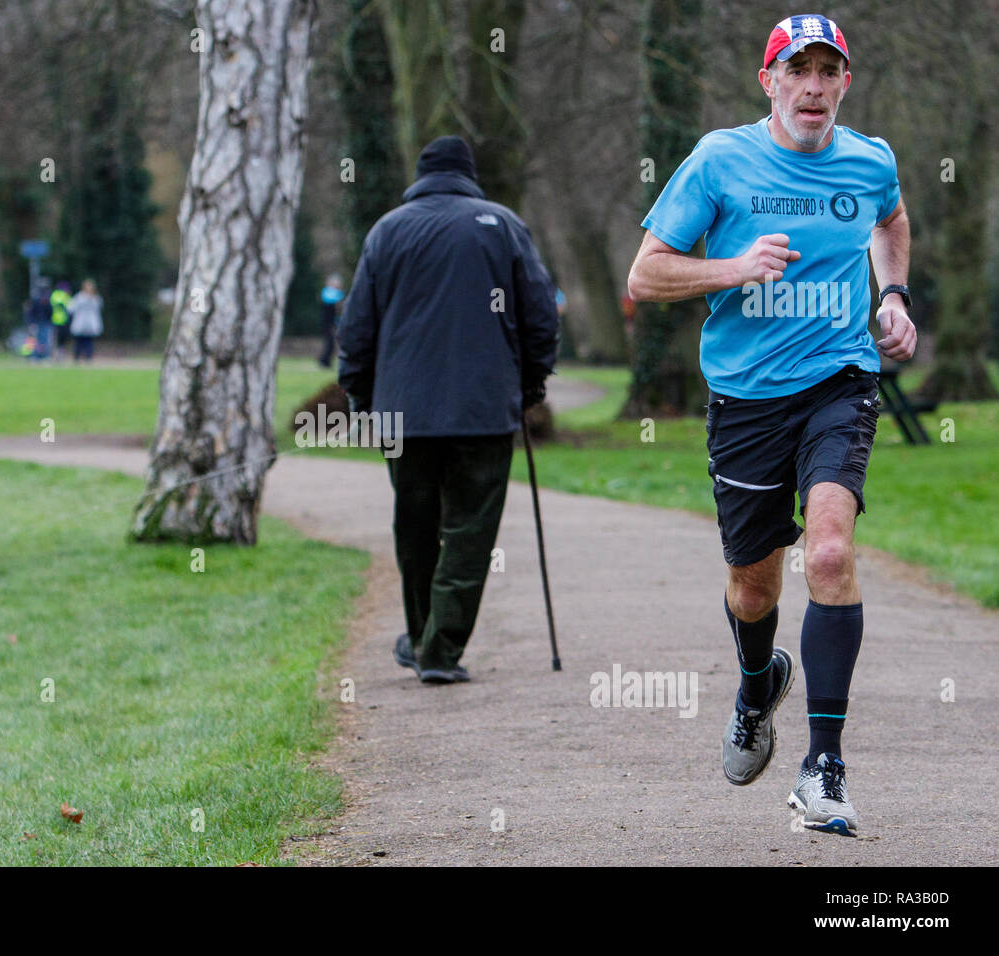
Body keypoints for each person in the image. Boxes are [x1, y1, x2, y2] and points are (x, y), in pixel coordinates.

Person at [627, 14, 915, 835]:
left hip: (840, 380)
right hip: (747, 397)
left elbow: (889, 222)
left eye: (830, 72)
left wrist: (892, 296)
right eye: (800, 71)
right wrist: (734, 267)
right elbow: (645, 274)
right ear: (771, 82)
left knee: (827, 551)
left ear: (845, 83)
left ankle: (824, 769)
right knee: (755, 584)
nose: (815, 87)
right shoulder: (719, 159)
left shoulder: (871, 160)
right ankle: (758, 686)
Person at [338, 135, 560, 684]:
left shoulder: (386, 231)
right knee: (469, 529)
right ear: (469, 175)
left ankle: (423, 638)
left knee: (413, 524)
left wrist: (362, 397)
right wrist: (530, 385)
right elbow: (540, 316)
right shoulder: (501, 225)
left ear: (421, 174)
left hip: (402, 412)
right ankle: (438, 647)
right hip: (482, 409)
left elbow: (356, 328)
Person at [67, 279, 103, 362]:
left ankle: (88, 359)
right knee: (78, 342)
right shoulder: (79, 297)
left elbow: (99, 308)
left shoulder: (96, 298)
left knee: (89, 342)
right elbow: (70, 308)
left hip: (90, 325)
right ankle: (76, 359)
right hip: (80, 323)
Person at [317, 274, 344, 368]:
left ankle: (325, 362)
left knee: (331, 343)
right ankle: (324, 361)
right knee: (330, 342)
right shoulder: (327, 293)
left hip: (333, 322)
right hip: (327, 322)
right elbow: (333, 299)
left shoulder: (336, 294)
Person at [50, 281, 73, 360]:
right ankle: (56, 355)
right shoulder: (58, 295)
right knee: (58, 339)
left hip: (62, 320)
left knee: (60, 339)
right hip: (57, 320)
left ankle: (59, 355)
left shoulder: (56, 295)